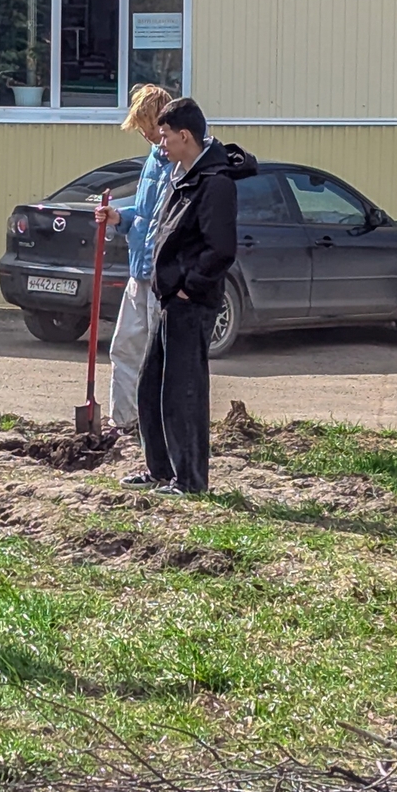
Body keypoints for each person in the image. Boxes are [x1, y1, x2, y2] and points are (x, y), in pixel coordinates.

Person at [140, 97, 253, 495]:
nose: (161, 144)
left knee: (183, 392)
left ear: (185, 135)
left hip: (191, 303)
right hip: (171, 299)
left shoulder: (215, 183)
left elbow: (220, 249)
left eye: (165, 136)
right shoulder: (183, 175)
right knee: (151, 385)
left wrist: (190, 286)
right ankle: (160, 470)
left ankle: (190, 480)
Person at [107, 85, 177, 484]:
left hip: (160, 275)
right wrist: (120, 217)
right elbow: (146, 212)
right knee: (124, 347)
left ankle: (159, 432)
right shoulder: (153, 159)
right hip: (139, 270)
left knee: (156, 360)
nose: (147, 135)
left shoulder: (181, 163)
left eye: (149, 127)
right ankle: (123, 422)